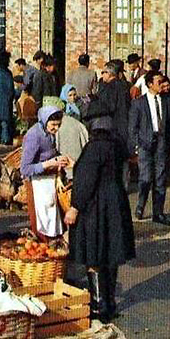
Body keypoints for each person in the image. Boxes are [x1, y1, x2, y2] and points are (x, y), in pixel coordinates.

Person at [64, 119, 135, 322]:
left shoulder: (93, 148)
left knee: (94, 255)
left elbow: (87, 180)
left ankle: (97, 306)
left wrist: (75, 207)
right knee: (111, 255)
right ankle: (110, 304)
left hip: (96, 207)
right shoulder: (117, 146)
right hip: (116, 203)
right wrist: (77, 165)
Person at [129, 70, 170, 225]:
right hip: (145, 144)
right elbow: (132, 127)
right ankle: (140, 206)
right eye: (158, 82)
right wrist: (137, 145)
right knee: (145, 178)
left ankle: (158, 213)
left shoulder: (166, 101)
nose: (162, 85)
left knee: (160, 178)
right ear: (150, 84)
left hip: (162, 144)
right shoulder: (139, 103)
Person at [21, 106, 70, 240]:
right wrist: (49, 164)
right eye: (53, 125)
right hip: (37, 185)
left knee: (54, 221)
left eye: (59, 125)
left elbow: (52, 153)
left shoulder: (50, 134)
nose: (56, 128)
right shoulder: (34, 136)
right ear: (44, 120)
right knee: (43, 224)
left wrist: (62, 159)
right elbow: (25, 168)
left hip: (50, 182)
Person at [0, 52, 16, 145]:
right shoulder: (8, 73)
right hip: (6, 101)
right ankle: (5, 139)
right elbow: (11, 89)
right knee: (5, 122)